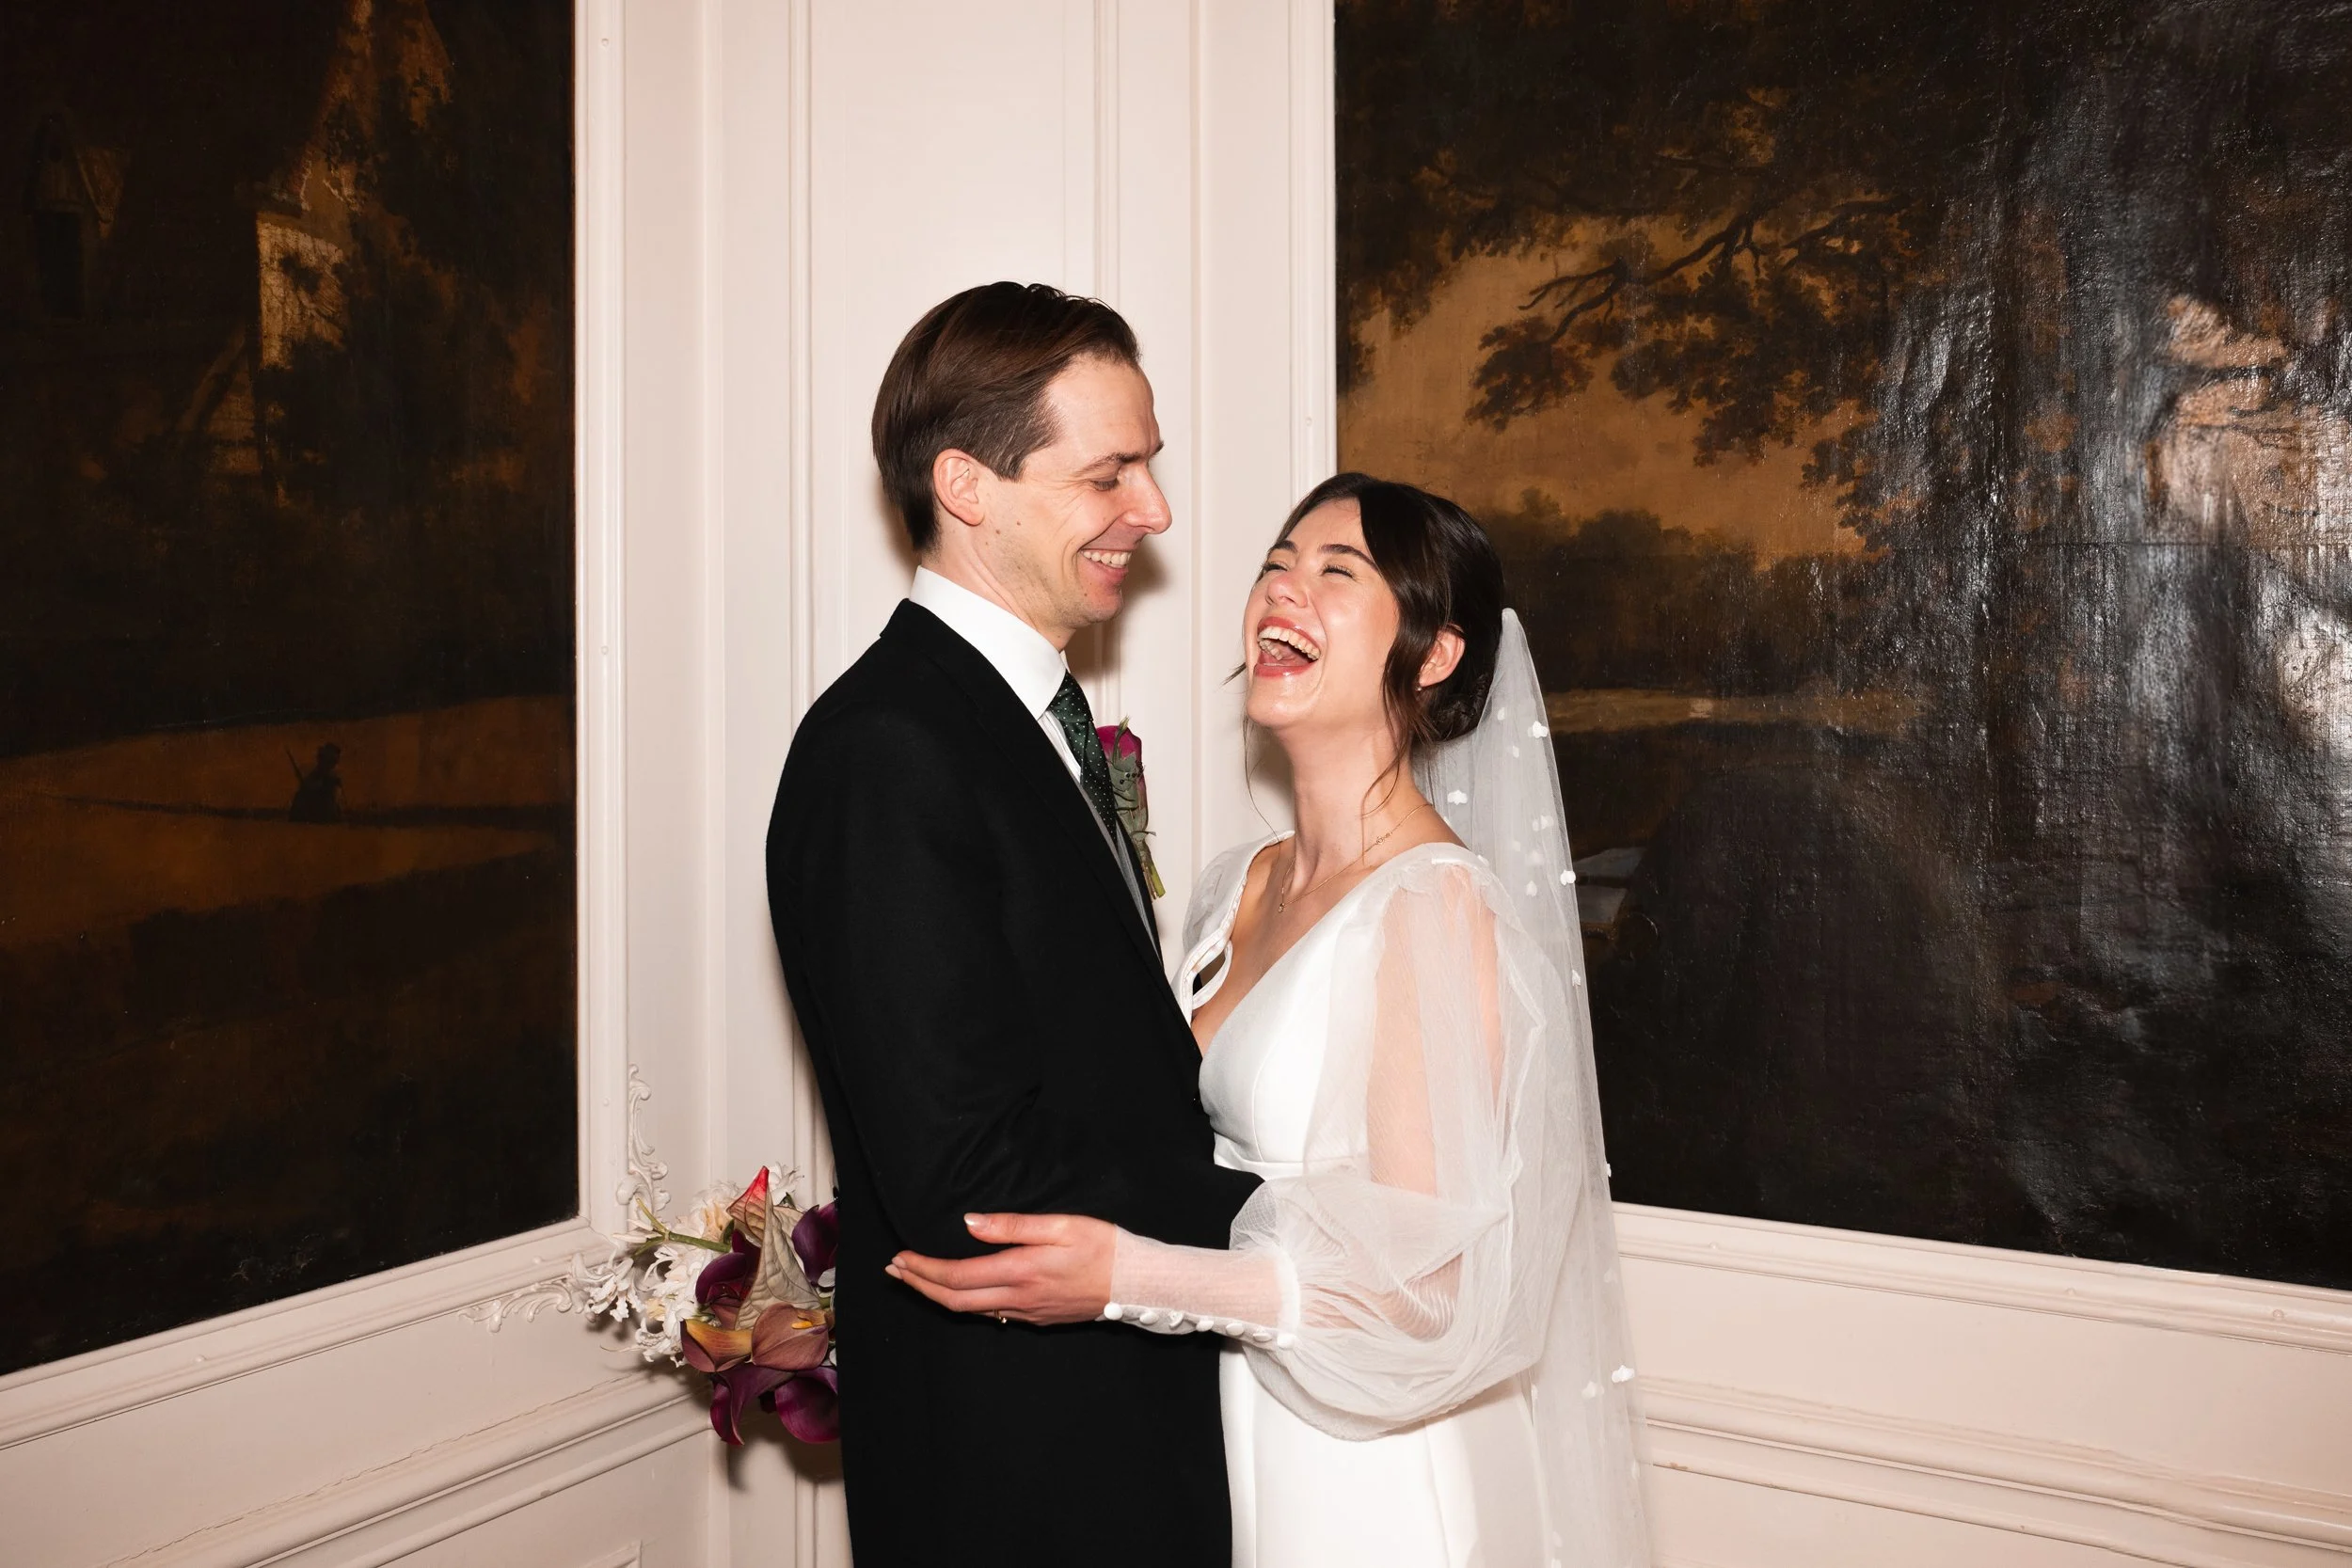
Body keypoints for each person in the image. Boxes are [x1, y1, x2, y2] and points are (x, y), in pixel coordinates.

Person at [892, 473, 1654, 1566]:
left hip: (1374, 1467)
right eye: (1275, 565)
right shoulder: (1233, 884)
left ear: (1434, 653)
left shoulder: (1433, 908)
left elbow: (1421, 1294)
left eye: (1335, 573)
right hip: (1230, 1414)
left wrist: (1126, 1276)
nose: (1280, 593)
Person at [765, 282, 1261, 1567]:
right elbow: (971, 1176)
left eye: (1149, 466)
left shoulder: (1038, 725)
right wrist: (1289, 1215)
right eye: (1111, 473)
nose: (1153, 510)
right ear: (968, 485)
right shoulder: (888, 749)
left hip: (1119, 1429)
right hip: (1023, 1476)